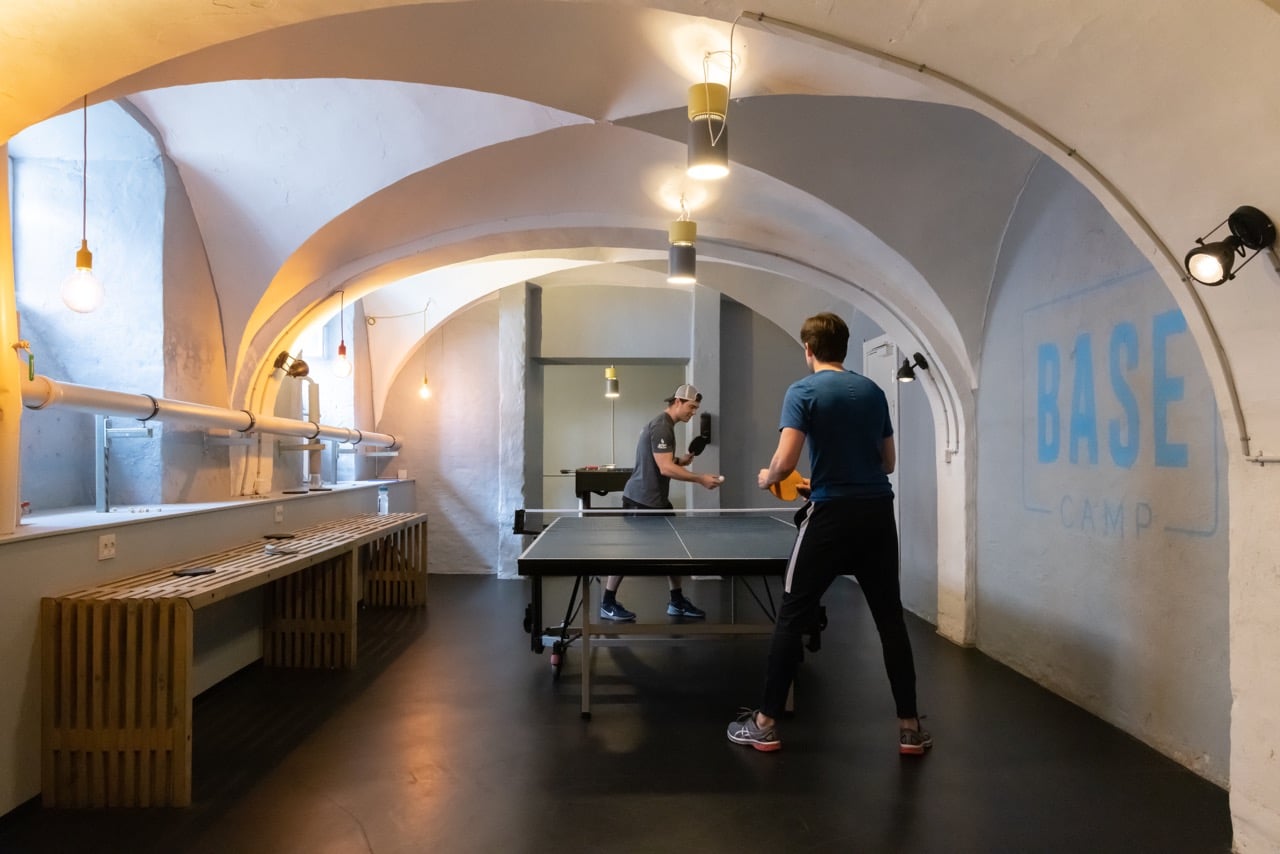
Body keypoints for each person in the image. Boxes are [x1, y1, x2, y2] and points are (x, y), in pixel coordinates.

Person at [726, 313, 931, 755]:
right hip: (877, 513)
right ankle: (910, 727)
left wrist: (768, 478)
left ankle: (764, 723)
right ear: (844, 346)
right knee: (890, 619)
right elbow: (888, 462)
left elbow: (783, 462)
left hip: (831, 517)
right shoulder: (873, 392)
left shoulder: (803, 391)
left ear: (808, 349)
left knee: (791, 616)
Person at [600, 383, 723, 622]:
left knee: (674, 550)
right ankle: (607, 602)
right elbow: (665, 468)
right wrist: (700, 479)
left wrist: (681, 460)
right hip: (641, 500)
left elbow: (663, 459)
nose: (693, 412)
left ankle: (676, 601)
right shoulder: (662, 427)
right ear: (678, 402)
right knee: (627, 553)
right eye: (691, 407)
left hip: (656, 501)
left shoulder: (665, 426)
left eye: (697, 408)